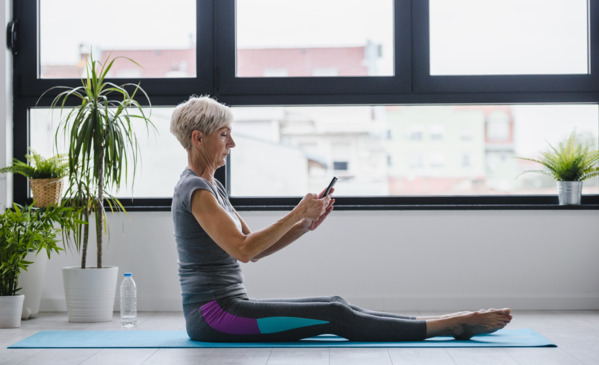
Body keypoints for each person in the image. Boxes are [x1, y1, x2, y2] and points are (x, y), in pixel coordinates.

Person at [170, 95, 512, 342]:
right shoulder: (196, 191)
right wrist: (296, 213)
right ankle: (450, 324)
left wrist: (303, 226)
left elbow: (255, 251)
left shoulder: (213, 187)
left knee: (336, 304)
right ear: (198, 139)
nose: (233, 143)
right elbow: (243, 249)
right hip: (215, 317)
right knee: (334, 316)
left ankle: (440, 322)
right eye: (224, 134)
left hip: (230, 308)